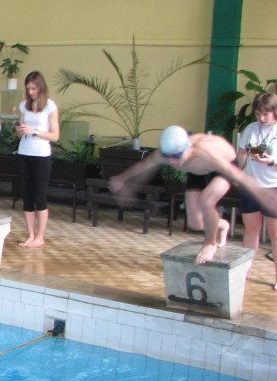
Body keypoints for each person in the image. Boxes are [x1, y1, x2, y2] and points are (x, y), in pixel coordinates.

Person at [110, 125, 277, 265]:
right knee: (195, 223)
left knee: (206, 201)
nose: (173, 161)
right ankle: (221, 225)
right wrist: (122, 180)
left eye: (177, 156)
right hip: (196, 171)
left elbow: (239, 176)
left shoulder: (206, 153)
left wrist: (263, 195)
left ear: (188, 148)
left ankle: (210, 243)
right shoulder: (166, 154)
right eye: (169, 157)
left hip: (222, 168)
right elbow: (144, 167)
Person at [236, 92, 277, 290]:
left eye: (265, 114)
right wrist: (237, 173)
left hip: (273, 188)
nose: (261, 118)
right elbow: (242, 152)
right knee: (251, 230)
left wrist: (272, 161)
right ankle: (245, 272)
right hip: (251, 186)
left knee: (275, 235)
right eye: (258, 113)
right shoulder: (251, 128)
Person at [15, 71, 60, 248]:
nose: (31, 92)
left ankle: (40, 236)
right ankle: (31, 235)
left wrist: (34, 131)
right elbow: (19, 134)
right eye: (28, 89)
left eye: (33, 88)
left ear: (41, 87)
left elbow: (55, 135)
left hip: (41, 155)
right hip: (24, 152)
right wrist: (20, 129)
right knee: (27, 196)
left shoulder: (50, 106)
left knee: (39, 196)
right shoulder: (23, 105)